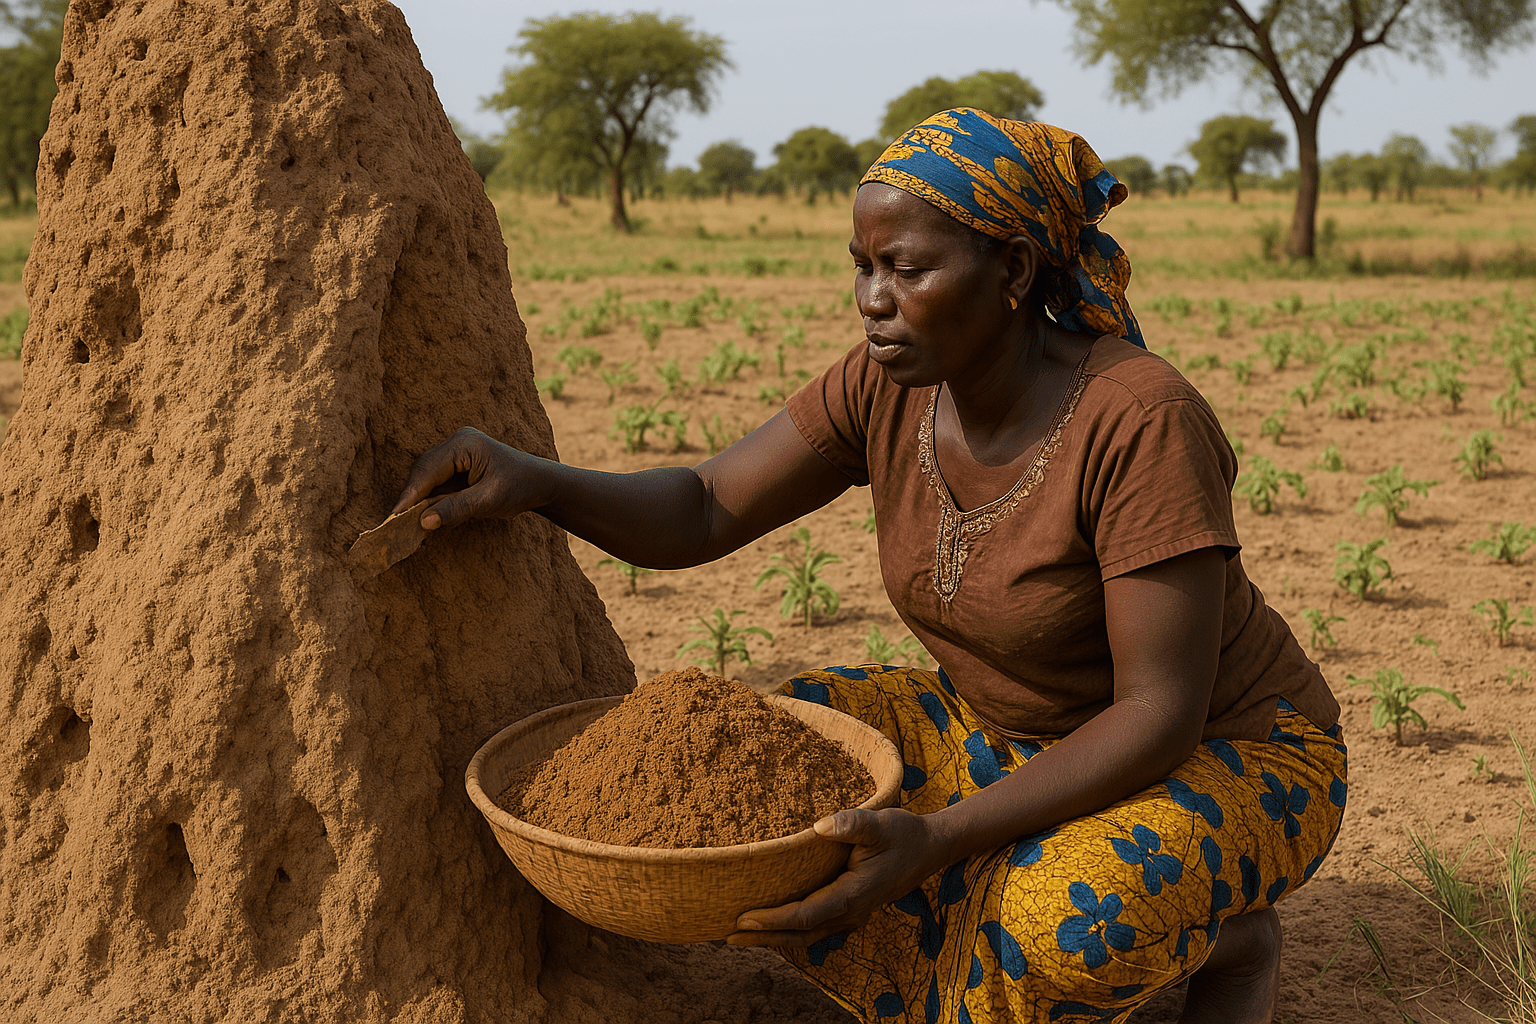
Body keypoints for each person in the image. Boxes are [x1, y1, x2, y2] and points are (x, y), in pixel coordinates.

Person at [394, 108, 1346, 1024]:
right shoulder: (887, 385)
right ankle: (978, 921)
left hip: (1227, 755)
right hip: (1002, 731)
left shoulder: (1138, 421)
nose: (873, 300)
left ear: (1012, 268)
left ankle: (1231, 944)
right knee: (761, 784)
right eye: (862, 266)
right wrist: (536, 482)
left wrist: (935, 841)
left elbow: (1156, 714)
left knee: (1060, 924)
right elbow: (703, 506)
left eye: (907, 268)